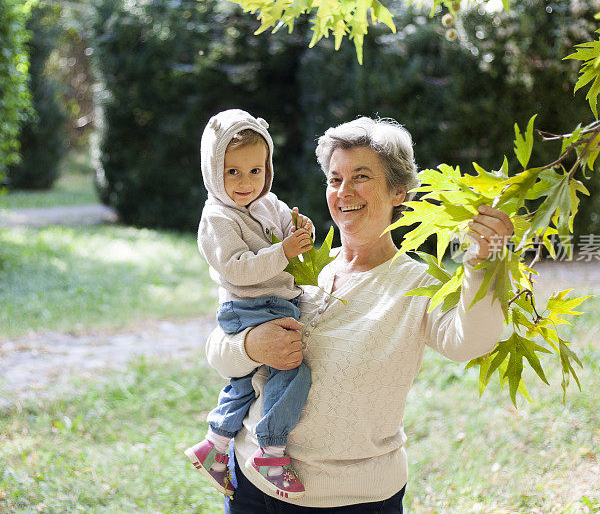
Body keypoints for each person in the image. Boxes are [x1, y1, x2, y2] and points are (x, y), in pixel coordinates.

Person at [205, 117, 514, 513]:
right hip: (248, 485)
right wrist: (250, 345)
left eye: (361, 176)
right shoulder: (299, 266)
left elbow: (469, 342)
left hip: (352, 500)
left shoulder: (415, 283)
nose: (344, 191)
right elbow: (218, 349)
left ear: (398, 191)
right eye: (335, 179)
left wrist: (485, 264)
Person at [185, 109, 315, 500]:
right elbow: (238, 268)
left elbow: (285, 237)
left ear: (267, 168)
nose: (246, 183)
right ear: (213, 171)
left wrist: (298, 230)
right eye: (232, 172)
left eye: (255, 171)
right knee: (291, 367)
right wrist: (283, 250)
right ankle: (271, 450)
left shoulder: (268, 203)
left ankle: (215, 443)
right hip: (250, 304)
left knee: (245, 380)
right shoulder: (216, 217)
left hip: (268, 301)